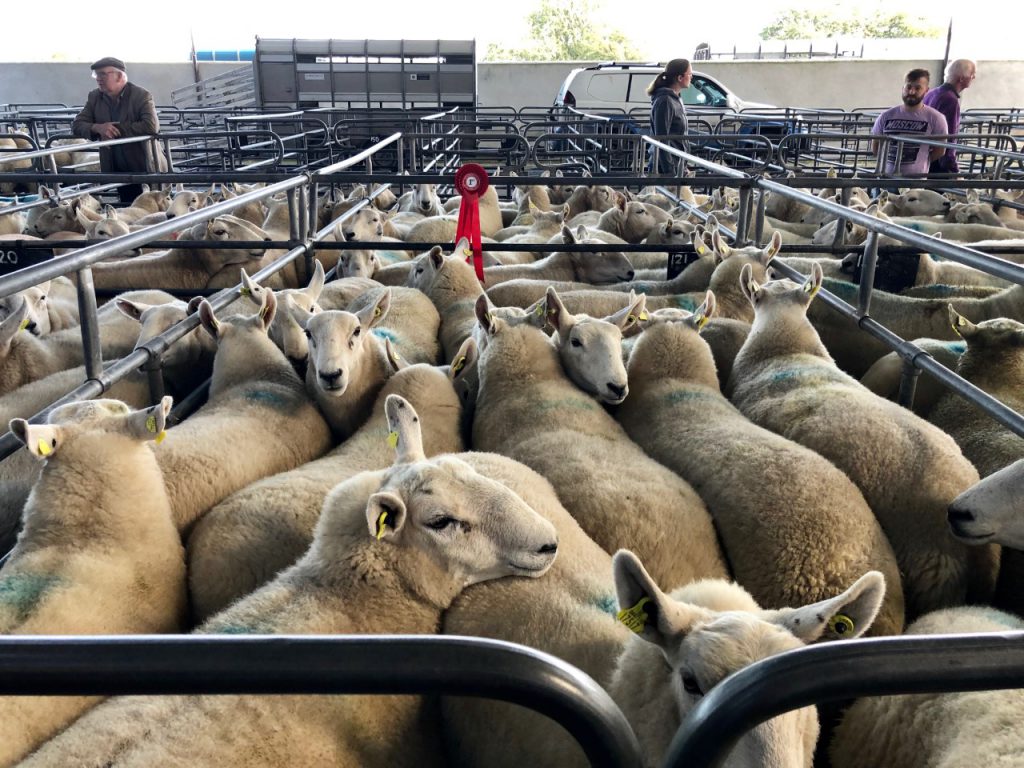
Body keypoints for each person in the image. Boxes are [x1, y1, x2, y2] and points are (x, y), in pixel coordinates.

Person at [72, 57, 160, 204]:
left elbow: (151, 126)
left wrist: (113, 129)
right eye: (96, 75)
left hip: (144, 166)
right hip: (117, 168)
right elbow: (77, 124)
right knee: (128, 210)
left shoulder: (141, 96)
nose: (98, 79)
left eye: (103, 74)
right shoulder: (95, 97)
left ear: (119, 76)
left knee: (153, 209)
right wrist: (97, 127)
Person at [870, 68, 948, 177]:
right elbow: (875, 146)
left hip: (915, 181)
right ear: (903, 88)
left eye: (917, 88)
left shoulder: (936, 118)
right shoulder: (886, 116)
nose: (912, 92)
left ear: (926, 90)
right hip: (885, 179)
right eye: (909, 87)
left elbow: (940, 150)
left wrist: (921, 162)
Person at [923, 58, 977, 174]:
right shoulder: (950, 100)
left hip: (924, 156)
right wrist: (952, 168)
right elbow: (948, 137)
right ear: (962, 78)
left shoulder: (932, 93)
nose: (974, 78)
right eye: (972, 75)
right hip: (936, 161)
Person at [647, 58, 692, 176]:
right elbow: (662, 138)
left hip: (676, 162)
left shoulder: (675, 99)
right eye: (689, 74)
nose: (691, 77)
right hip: (664, 168)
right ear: (680, 77)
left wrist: (683, 165)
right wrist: (670, 171)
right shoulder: (665, 101)